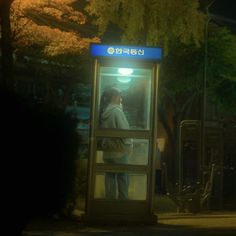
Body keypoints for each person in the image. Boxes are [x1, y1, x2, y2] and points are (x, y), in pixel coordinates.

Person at [99, 87, 132, 200]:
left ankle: (110, 201)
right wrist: (129, 146)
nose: (121, 99)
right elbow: (124, 132)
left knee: (110, 176)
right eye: (119, 96)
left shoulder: (105, 112)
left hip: (108, 151)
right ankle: (123, 202)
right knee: (123, 176)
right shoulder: (117, 112)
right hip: (119, 150)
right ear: (114, 97)